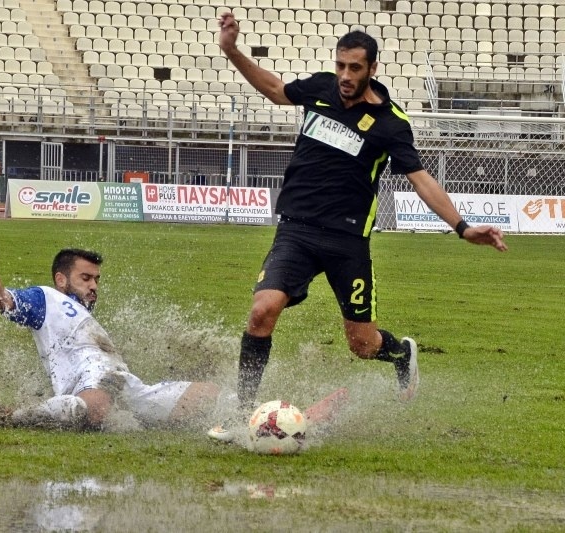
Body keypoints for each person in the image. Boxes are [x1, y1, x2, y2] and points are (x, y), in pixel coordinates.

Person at [216, 14, 508, 413]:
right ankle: (241, 411)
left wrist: (462, 227)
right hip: (296, 232)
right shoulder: (320, 89)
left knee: (362, 345)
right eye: (340, 65)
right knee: (261, 312)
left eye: (354, 67)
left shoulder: (390, 123)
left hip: (347, 242)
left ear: (373, 68)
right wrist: (232, 51)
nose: (345, 75)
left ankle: (402, 354)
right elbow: (274, 89)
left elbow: (420, 179)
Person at [0, 218, 220, 430]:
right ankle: (7, 418)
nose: (93, 285)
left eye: (96, 279)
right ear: (61, 279)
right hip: (91, 385)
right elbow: (1, 300)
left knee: (210, 395)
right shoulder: (46, 299)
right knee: (93, 408)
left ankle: (250, 413)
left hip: (124, 384)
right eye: (85, 278)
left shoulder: (85, 316)